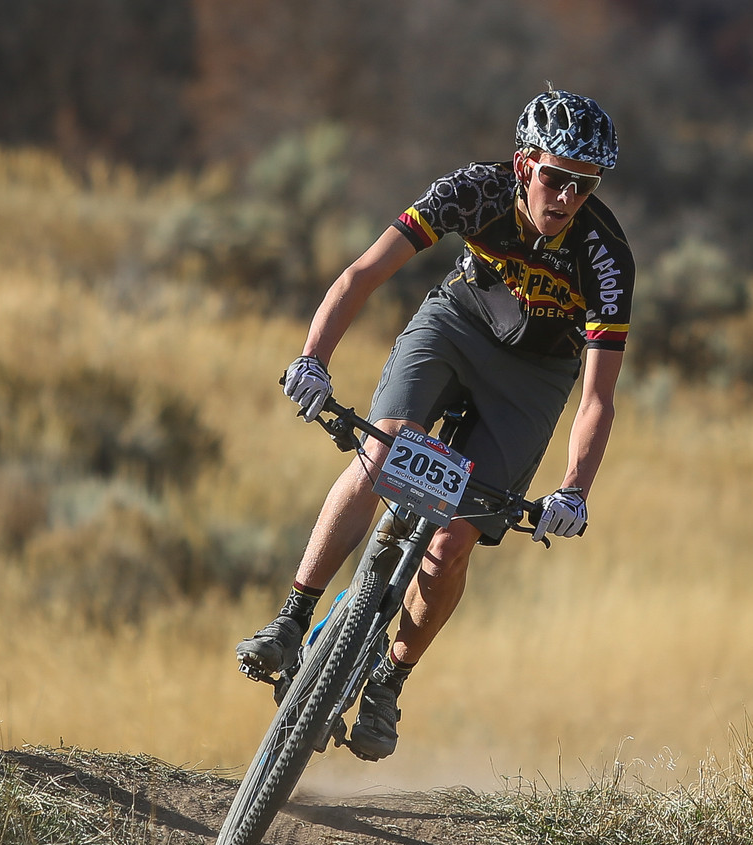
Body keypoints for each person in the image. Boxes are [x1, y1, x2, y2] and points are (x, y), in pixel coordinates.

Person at [236, 89, 635, 761]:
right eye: (556, 177)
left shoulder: (606, 256)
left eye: (585, 184)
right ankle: (292, 618)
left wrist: (574, 490)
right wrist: (313, 358)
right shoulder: (473, 193)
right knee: (382, 453)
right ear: (524, 165)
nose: (568, 197)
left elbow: (598, 396)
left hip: (536, 376)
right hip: (456, 326)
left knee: (452, 544)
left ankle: (390, 680)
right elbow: (364, 273)